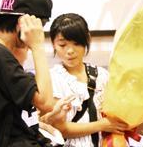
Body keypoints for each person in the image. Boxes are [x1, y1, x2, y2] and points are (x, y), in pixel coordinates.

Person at [0, 0, 58, 146]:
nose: (40, 33)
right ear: (24, 23)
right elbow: (46, 103)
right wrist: (37, 46)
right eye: (40, 27)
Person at [42, 13, 129, 147]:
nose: (70, 51)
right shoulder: (51, 79)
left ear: (87, 39)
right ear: (53, 44)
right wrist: (101, 125)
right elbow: (59, 129)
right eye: (62, 45)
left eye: (76, 43)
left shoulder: (102, 75)